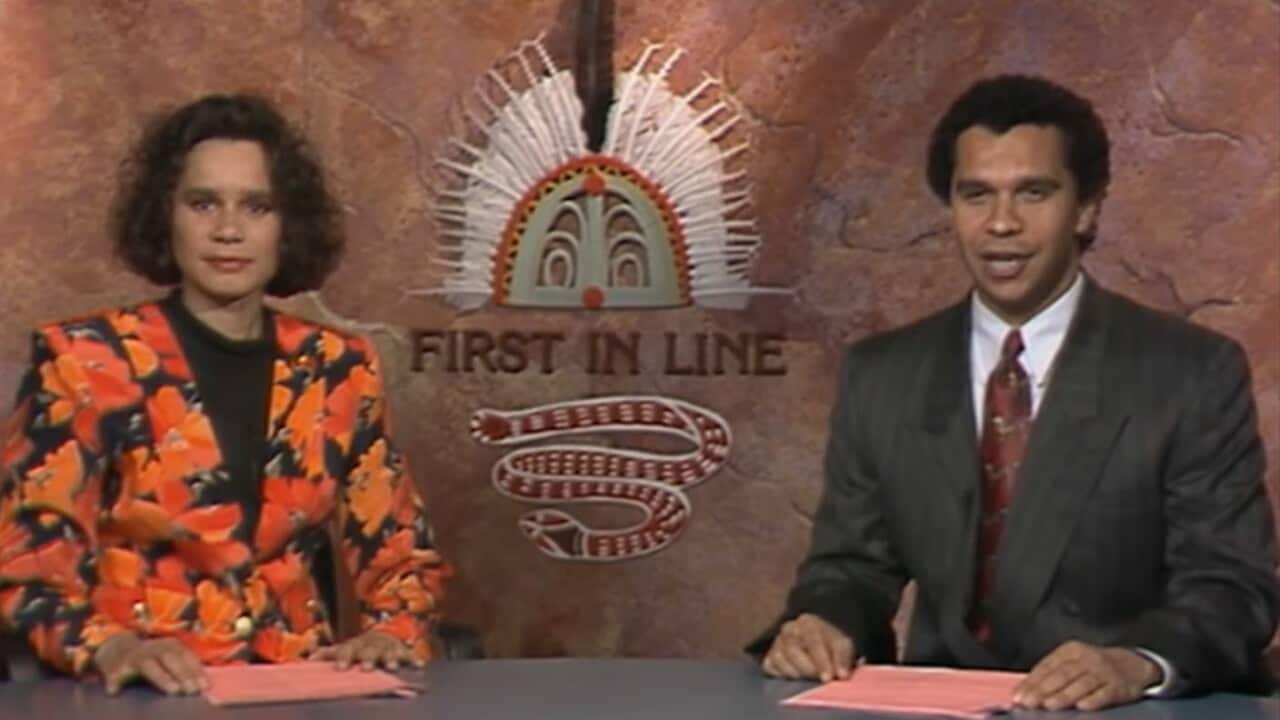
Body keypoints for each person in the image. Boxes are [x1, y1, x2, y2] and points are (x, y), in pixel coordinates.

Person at [750, 75, 1279, 711]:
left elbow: (1231, 587)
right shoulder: (882, 373)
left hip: (1118, 710)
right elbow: (850, 570)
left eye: (1034, 193)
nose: (1001, 223)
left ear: (1086, 208)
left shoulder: (1191, 373)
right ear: (950, 207)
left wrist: (1137, 660)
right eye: (976, 195)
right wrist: (823, 623)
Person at [0, 94, 449, 695]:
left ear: (288, 228)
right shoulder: (85, 362)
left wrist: (392, 630)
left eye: (257, 207)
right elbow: (28, 566)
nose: (229, 230)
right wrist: (112, 647)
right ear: (166, 217)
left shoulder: (340, 369)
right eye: (203, 203)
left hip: (299, 692)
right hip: (140, 693)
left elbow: (400, 554)